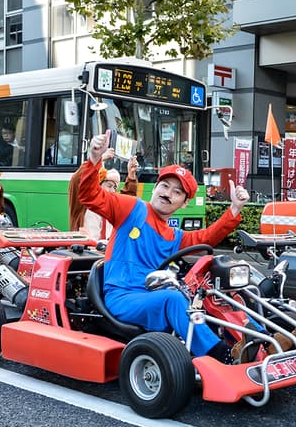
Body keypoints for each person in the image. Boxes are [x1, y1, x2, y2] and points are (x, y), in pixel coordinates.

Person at [78, 130, 258, 364]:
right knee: (172, 299)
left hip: (150, 295)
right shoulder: (131, 208)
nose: (167, 194)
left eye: (176, 192)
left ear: (184, 203)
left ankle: (262, 341)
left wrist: (234, 209)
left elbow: (206, 239)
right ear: (155, 188)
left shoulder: (175, 235)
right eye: (164, 186)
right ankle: (222, 355)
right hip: (122, 296)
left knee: (221, 293)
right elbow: (89, 195)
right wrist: (93, 159)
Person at [68, 148, 138, 233]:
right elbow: (78, 178)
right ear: (98, 185)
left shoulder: (111, 207)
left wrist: (131, 174)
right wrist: (99, 159)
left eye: (115, 188)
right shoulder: (84, 202)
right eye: (109, 186)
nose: (112, 191)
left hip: (106, 245)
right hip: (84, 245)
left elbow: (127, 202)